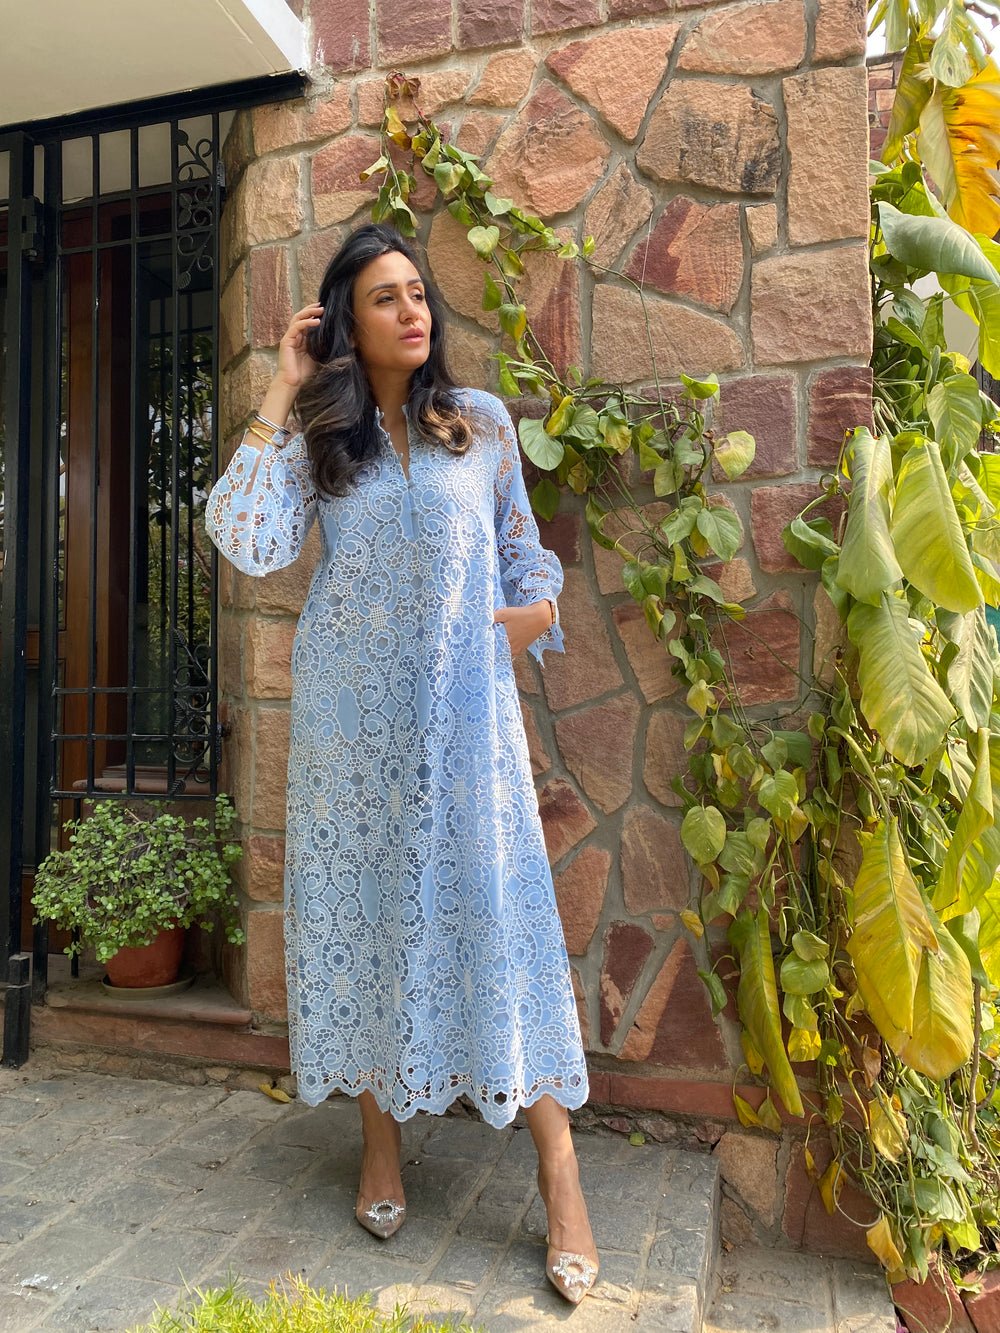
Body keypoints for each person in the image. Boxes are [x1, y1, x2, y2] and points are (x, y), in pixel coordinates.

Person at [205, 223, 598, 1303]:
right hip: (353, 732)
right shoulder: (324, 443)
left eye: (417, 292)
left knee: (503, 921)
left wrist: (513, 626)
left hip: (469, 727)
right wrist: (282, 388)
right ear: (346, 321)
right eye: (385, 297)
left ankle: (561, 1172)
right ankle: (379, 1147)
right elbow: (244, 538)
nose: (412, 310)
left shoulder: (481, 424)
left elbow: (526, 561)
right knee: (373, 918)